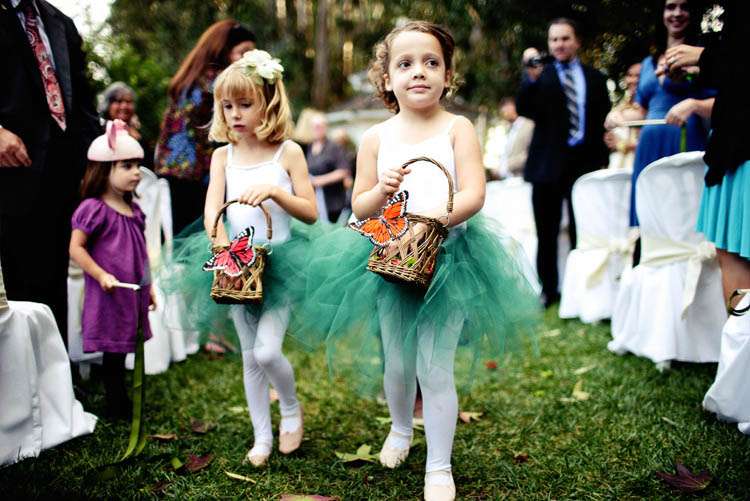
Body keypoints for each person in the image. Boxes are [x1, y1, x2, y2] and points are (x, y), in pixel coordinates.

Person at [300, 21, 539, 501]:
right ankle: (400, 428)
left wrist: (436, 219)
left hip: (447, 258)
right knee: (397, 361)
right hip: (391, 260)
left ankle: (439, 465)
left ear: (447, 75)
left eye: (431, 62)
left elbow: (474, 192)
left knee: (435, 366)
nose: (419, 72)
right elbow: (360, 205)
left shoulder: (458, 128)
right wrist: (381, 191)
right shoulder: (376, 138)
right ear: (386, 78)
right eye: (405, 64)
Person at [161, 50, 318, 467]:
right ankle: (261, 436)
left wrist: (276, 193)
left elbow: (310, 211)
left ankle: (290, 407)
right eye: (227, 106)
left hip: (281, 264)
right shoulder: (223, 156)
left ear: (268, 103)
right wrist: (222, 246)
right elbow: (213, 211)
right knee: (250, 356)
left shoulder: (288, 152)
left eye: (245, 104)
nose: (234, 114)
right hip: (239, 266)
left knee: (267, 351)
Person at [0, 0, 100, 341]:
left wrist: (95, 162)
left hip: (62, 173)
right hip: (9, 177)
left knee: (53, 283)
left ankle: (54, 368)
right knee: (14, 290)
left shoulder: (60, 22)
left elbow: (84, 102)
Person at [516, 17, 611, 308]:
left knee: (585, 228)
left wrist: (603, 156)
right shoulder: (540, 76)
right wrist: (531, 77)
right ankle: (549, 289)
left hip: (585, 163)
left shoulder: (595, 77)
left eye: (565, 38)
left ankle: (581, 290)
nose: (559, 44)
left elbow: (602, 118)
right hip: (547, 165)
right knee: (547, 231)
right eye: (554, 39)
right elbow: (523, 108)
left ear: (577, 41)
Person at [665, 0, 750, 305]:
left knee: (736, 255)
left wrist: (704, 56)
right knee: (732, 253)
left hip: (742, 149)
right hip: (732, 144)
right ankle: (741, 333)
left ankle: (742, 334)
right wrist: (704, 67)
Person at [69, 120, 154, 419]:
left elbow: (142, 253)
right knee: (113, 351)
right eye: (127, 166)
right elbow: (76, 248)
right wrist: (101, 274)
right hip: (108, 293)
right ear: (104, 170)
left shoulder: (135, 211)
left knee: (124, 347)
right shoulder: (94, 209)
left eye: (138, 165)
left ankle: (121, 399)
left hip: (132, 292)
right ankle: (116, 403)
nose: (136, 173)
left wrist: (149, 286)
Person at [605, 0, 715, 227]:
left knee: (683, 218)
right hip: (649, 146)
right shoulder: (648, 63)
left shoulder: (704, 56)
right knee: (650, 219)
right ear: (662, 13)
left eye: (684, 7)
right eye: (671, 7)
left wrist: (694, 105)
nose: (677, 13)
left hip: (686, 141)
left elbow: (725, 102)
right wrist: (617, 117)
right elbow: (641, 110)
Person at [154, 20, 256, 234]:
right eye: (243, 52)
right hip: (195, 177)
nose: (249, 59)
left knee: (182, 239)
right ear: (224, 50)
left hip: (172, 172)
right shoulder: (217, 81)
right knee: (203, 237)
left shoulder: (192, 77)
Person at [306, 113, 352, 223]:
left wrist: (319, 181)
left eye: (319, 126)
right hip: (316, 202)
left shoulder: (334, 147)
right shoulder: (309, 147)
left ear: (325, 127)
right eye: (314, 127)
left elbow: (343, 171)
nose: (317, 129)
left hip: (334, 203)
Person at [99, 81, 152, 169]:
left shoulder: (140, 134)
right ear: (108, 105)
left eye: (128, 102)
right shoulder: (99, 130)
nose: (124, 106)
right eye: (119, 101)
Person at [603, 61, 641, 170]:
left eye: (638, 76)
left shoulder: (651, 107)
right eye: (630, 75)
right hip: (618, 166)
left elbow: (650, 143)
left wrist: (621, 144)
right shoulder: (622, 105)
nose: (633, 80)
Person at [496, 97, 534, 178]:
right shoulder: (508, 128)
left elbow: (531, 153)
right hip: (507, 178)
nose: (503, 113)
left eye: (505, 108)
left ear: (513, 107)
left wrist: (507, 165)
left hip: (521, 177)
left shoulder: (529, 126)